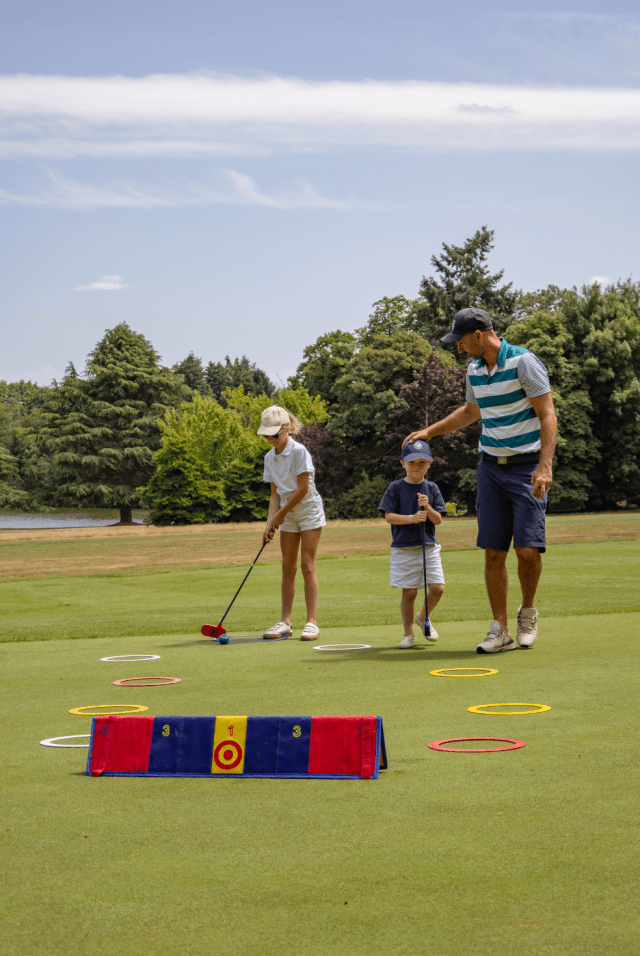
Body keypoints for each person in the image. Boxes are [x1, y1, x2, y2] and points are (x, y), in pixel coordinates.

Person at [406, 306, 557, 654]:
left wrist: (545, 466)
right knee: (493, 552)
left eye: (461, 341)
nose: (458, 349)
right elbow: (471, 412)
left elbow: (547, 414)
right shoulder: (474, 370)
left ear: (478, 336)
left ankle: (528, 612)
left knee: (527, 550)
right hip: (490, 468)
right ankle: (500, 630)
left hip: (526, 468)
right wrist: (430, 432)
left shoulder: (523, 362)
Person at [258, 405, 326, 641]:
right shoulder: (269, 457)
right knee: (288, 566)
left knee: (307, 564)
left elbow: (303, 488)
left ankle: (311, 622)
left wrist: (280, 515)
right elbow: (274, 494)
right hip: (286, 510)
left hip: (308, 509)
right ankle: (285, 622)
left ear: (286, 428)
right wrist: (270, 522)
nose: (271, 439)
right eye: (266, 435)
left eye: (275, 434)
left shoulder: (299, 451)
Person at [378, 440, 448, 648]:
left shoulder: (432, 488)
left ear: (429, 464)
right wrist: (412, 518)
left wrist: (427, 508)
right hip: (403, 548)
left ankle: (423, 617)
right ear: (403, 464)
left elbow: (438, 520)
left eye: (421, 462)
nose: (416, 467)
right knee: (409, 592)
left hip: (429, 546)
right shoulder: (396, 487)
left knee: (437, 588)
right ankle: (408, 634)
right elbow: (389, 516)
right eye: (411, 462)